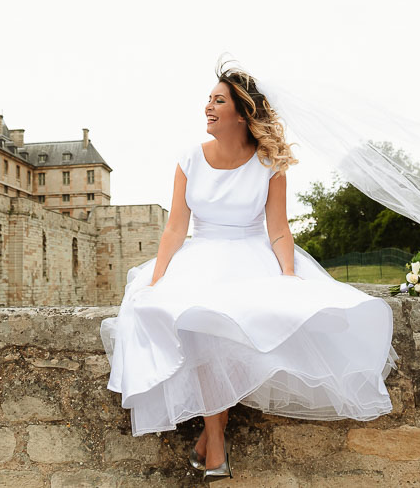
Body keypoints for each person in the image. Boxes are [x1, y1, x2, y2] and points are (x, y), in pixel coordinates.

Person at [100, 60, 400, 481]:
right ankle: (215, 439)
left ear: (241, 114)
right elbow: (175, 227)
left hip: (251, 257)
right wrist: (156, 278)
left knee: (242, 329)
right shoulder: (189, 157)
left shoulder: (269, 163)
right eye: (208, 99)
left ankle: (211, 442)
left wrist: (290, 276)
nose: (207, 106)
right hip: (200, 257)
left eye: (217, 100)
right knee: (196, 328)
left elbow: (278, 229)